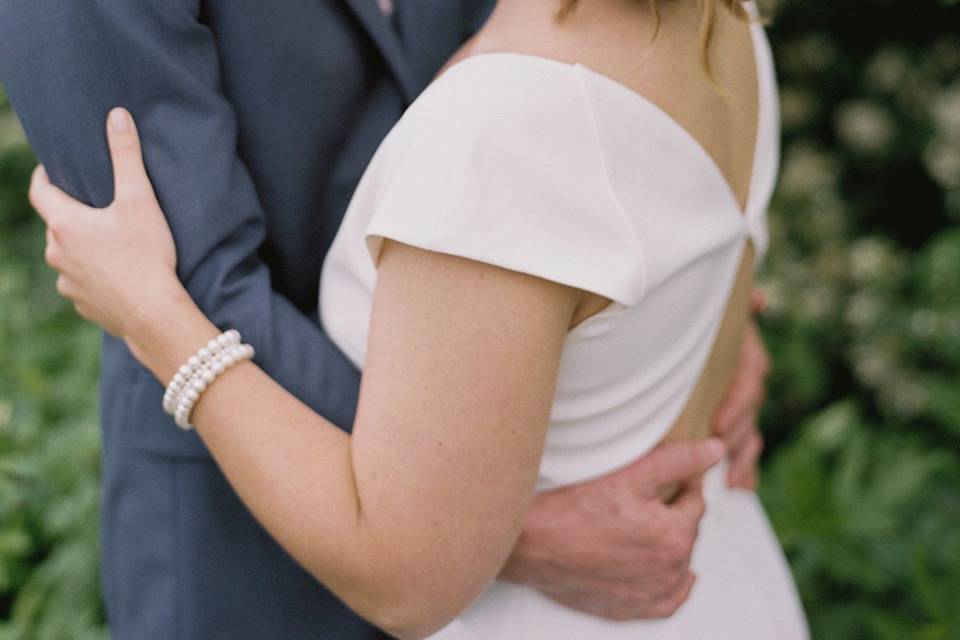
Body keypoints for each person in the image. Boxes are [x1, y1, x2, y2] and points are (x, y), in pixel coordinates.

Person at [7, 0, 781, 638]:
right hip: (248, 546)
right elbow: (179, 268)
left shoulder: (520, 108)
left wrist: (697, 315)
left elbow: (586, 184)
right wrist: (495, 522)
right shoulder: (723, 25)